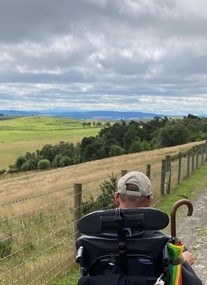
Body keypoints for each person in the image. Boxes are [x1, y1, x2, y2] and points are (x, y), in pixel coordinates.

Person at [114, 171, 202, 284]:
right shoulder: (164, 244)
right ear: (150, 201)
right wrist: (183, 262)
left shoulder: (91, 241)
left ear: (116, 197)